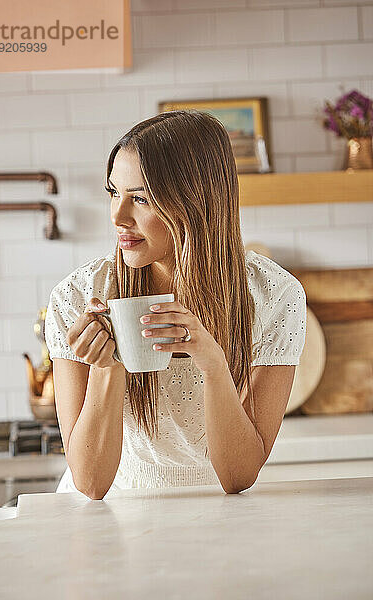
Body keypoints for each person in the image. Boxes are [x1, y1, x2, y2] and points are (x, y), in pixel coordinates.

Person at [44, 109, 307, 499]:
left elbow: (238, 476)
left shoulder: (274, 296)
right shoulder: (78, 295)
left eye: (141, 199)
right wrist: (107, 367)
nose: (118, 216)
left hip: (222, 512)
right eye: (114, 192)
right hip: (111, 514)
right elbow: (91, 484)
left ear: (195, 201)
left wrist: (214, 363)